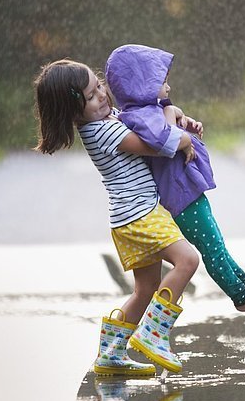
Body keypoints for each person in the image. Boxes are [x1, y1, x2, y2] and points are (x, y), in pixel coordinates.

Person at [34, 59, 200, 376]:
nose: (102, 96)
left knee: (145, 289)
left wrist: (171, 113)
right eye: (92, 95)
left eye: (99, 86)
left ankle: (110, 354)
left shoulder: (101, 123)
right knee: (187, 260)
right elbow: (158, 145)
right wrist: (179, 131)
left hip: (126, 218)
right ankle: (153, 335)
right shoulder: (103, 131)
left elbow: (149, 125)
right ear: (73, 109)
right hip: (141, 214)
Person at [105, 44, 245, 312]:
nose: (168, 87)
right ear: (141, 86)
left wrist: (185, 120)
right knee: (211, 249)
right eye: (162, 82)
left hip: (186, 192)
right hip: (179, 198)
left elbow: (169, 123)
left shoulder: (149, 111)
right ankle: (241, 297)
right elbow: (164, 139)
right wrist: (180, 133)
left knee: (216, 241)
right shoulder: (139, 116)